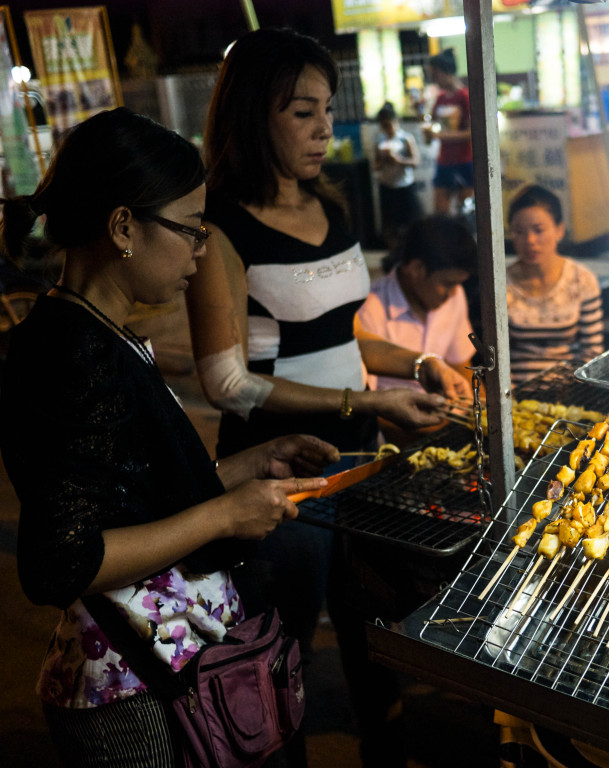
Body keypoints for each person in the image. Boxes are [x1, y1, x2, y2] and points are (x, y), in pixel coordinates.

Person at [0, 107, 339, 767]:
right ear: (124, 226)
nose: (200, 251)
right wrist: (222, 512)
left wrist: (245, 469)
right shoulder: (73, 352)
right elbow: (60, 562)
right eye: (189, 230)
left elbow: (125, 496)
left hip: (154, 669)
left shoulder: (99, 330)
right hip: (125, 695)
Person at [186, 28, 470, 767]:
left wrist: (416, 361)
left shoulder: (331, 209)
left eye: (326, 109)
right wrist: (367, 407)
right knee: (278, 652)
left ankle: (386, 750)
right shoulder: (221, 229)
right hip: (280, 477)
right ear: (255, 115)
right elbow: (230, 382)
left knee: (371, 629)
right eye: (302, 112)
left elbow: (340, 338)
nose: (325, 129)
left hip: (361, 461)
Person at [358, 214, 477, 393]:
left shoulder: (455, 295)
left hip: (447, 415)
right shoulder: (368, 309)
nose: (453, 293)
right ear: (416, 269)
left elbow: (461, 365)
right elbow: (368, 401)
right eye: (448, 283)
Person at [506, 183, 604, 384]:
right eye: (519, 232)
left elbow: (592, 351)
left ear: (559, 230)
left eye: (538, 230)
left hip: (568, 390)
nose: (530, 240)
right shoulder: (500, 283)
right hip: (514, 392)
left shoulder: (582, 280)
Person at [424, 49, 473, 215]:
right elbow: (431, 124)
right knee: (440, 213)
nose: (433, 79)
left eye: (435, 74)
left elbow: (470, 133)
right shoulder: (441, 98)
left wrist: (439, 135)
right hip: (444, 160)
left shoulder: (465, 96)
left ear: (447, 71)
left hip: (464, 160)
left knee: (466, 213)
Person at [373, 101, 422, 248]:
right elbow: (375, 166)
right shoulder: (379, 141)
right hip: (387, 186)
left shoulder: (406, 138)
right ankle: (393, 253)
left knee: (409, 224)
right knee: (390, 225)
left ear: (396, 122)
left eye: (389, 124)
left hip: (404, 185)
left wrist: (399, 160)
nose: (387, 128)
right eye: (383, 125)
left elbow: (416, 161)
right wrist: (384, 160)